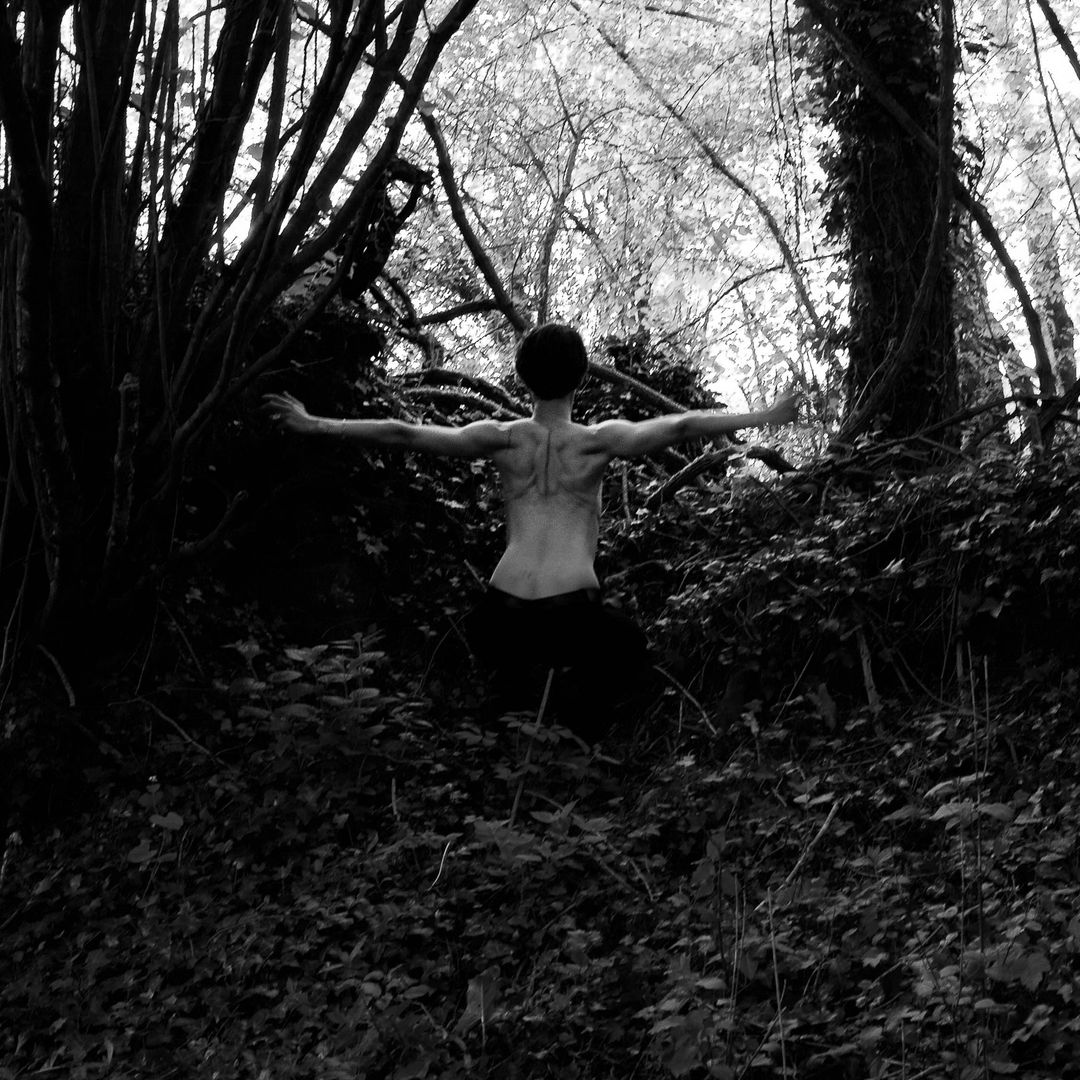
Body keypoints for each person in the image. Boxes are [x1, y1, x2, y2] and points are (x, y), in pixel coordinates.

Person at [265, 322, 799, 739]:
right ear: (581, 376)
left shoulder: (502, 437)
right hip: (570, 612)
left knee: (513, 680)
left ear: (523, 377)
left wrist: (316, 423)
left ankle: (513, 722)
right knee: (627, 649)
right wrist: (764, 415)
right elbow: (681, 425)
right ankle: (578, 739)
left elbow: (403, 432)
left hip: (502, 612)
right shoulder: (595, 441)